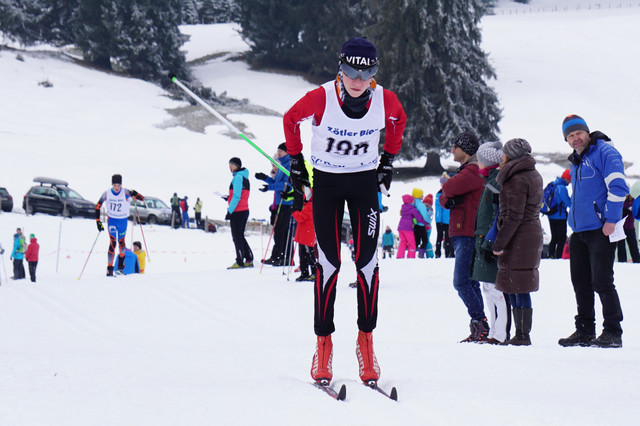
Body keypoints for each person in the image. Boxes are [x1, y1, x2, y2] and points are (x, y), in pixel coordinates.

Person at [283, 37, 406, 385]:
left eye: (365, 71)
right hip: (328, 184)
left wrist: (388, 159)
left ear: (374, 73)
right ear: (340, 67)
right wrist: (295, 160)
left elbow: (399, 120)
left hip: (364, 183)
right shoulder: (321, 97)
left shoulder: (386, 100)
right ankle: (323, 343)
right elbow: (290, 119)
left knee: (367, 263)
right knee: (328, 262)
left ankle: (365, 342)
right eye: (350, 69)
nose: (357, 78)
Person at [557, 114, 628, 348]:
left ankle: (612, 332)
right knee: (581, 282)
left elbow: (618, 186)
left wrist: (611, 219)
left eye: (579, 133)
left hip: (601, 229)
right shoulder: (577, 161)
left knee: (602, 281)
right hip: (579, 231)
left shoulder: (605, 152)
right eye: (570, 135)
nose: (576, 138)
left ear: (587, 132)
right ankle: (585, 330)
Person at [491, 139, 543, 346]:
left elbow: (513, 215)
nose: (502, 157)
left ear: (511, 155)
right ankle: (520, 334)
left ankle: (522, 336)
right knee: (520, 283)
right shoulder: (532, 174)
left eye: (504, 153)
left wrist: (499, 243)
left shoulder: (516, 179)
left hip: (519, 237)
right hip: (529, 234)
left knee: (517, 285)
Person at [439, 132, 487, 342]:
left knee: (461, 282)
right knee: (471, 281)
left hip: (467, 232)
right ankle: (480, 326)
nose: (452, 150)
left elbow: (447, 187)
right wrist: (448, 196)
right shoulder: (468, 171)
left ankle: (480, 322)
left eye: (455, 147)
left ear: (465, 150)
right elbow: (444, 197)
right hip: (464, 231)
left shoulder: (472, 170)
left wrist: (448, 188)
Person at [471, 141, 510, 344]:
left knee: (496, 290)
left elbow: (496, 216)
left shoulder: (496, 183)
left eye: (479, 159)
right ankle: (494, 331)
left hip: (488, 241)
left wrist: (490, 241)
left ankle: (501, 333)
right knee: (487, 288)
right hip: (483, 239)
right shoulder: (489, 182)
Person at [96, 174, 145, 276]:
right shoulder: (106, 194)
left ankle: (120, 268)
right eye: (115, 185)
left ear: (121, 185)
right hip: (112, 220)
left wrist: (135, 193)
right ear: (112, 185)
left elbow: (142, 199)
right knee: (113, 243)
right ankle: (109, 268)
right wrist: (98, 221)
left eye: (118, 185)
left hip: (122, 221)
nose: (117, 188)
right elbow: (98, 205)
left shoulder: (126, 192)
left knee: (121, 243)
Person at [255, 143, 293, 266]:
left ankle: (281, 257)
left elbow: (286, 185)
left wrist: (270, 187)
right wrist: (265, 178)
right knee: (281, 230)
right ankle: (281, 256)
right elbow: (277, 182)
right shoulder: (282, 165)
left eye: (280, 151)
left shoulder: (288, 166)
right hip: (279, 202)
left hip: (286, 202)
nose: (279, 154)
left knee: (281, 230)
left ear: (287, 152)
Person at [226, 157, 254, 269]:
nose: (230, 167)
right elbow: (240, 195)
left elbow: (237, 196)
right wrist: (228, 198)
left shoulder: (237, 177)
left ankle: (240, 260)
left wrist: (230, 211)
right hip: (244, 209)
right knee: (240, 236)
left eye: (231, 165)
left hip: (238, 211)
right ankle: (248, 257)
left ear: (237, 165)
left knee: (236, 237)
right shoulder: (244, 177)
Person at [546, 169, 572, 259]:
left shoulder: (553, 184)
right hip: (560, 216)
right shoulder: (562, 188)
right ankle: (558, 258)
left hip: (550, 215)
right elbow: (568, 203)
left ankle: (551, 256)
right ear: (567, 178)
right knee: (561, 239)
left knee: (554, 237)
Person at [292, 189, 316, 282]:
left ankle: (312, 272)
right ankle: (305, 272)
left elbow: (301, 217)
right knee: (305, 255)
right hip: (305, 235)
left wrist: (294, 211)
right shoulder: (310, 206)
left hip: (306, 236)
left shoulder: (309, 206)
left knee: (308, 255)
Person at [397, 194, 425, 259]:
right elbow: (418, 217)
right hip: (408, 228)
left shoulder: (403, 208)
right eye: (413, 200)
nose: (414, 201)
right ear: (410, 201)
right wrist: (425, 222)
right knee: (411, 243)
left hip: (400, 227)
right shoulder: (412, 208)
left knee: (403, 242)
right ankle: (411, 256)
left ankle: (399, 256)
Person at [616, 195, 640, 263]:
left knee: (633, 246)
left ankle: (637, 261)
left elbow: (635, 210)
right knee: (621, 247)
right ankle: (622, 261)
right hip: (621, 227)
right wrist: (627, 210)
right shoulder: (620, 201)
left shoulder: (633, 201)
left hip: (630, 227)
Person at [435, 174, 454, 258]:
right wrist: (438, 220)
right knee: (439, 236)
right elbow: (438, 208)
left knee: (448, 237)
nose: (442, 184)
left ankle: (448, 253)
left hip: (448, 220)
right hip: (440, 220)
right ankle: (438, 253)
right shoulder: (439, 194)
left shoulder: (450, 193)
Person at [411, 188, 429, 258]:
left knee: (416, 241)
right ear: (418, 195)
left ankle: (412, 253)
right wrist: (428, 221)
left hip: (415, 225)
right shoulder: (421, 205)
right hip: (421, 225)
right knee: (425, 240)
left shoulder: (412, 203)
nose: (423, 196)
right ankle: (421, 254)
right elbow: (425, 215)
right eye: (421, 194)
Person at [422, 194, 435, 258]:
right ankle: (423, 253)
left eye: (428, 203)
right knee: (424, 241)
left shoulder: (430, 210)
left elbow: (428, 216)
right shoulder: (423, 209)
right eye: (425, 203)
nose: (426, 205)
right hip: (422, 227)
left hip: (427, 228)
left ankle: (430, 255)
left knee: (426, 241)